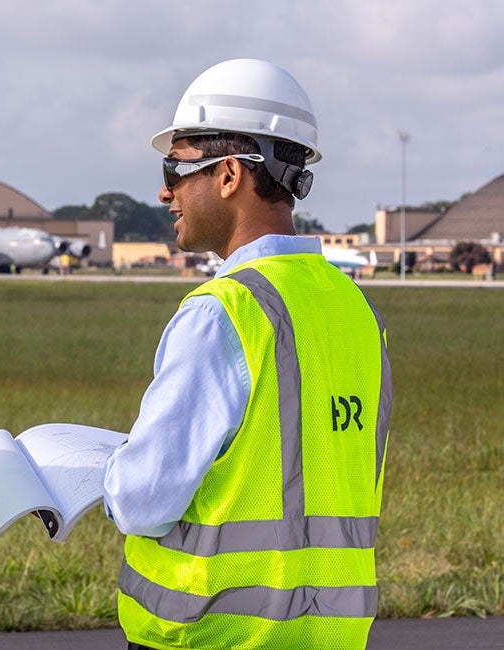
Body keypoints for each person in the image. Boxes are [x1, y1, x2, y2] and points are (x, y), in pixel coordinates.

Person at [102, 59, 393, 649]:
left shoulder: (221, 313)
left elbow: (142, 501)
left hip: (215, 636)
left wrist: (103, 475)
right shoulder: (356, 310)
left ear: (230, 174)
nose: (166, 191)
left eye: (177, 167)